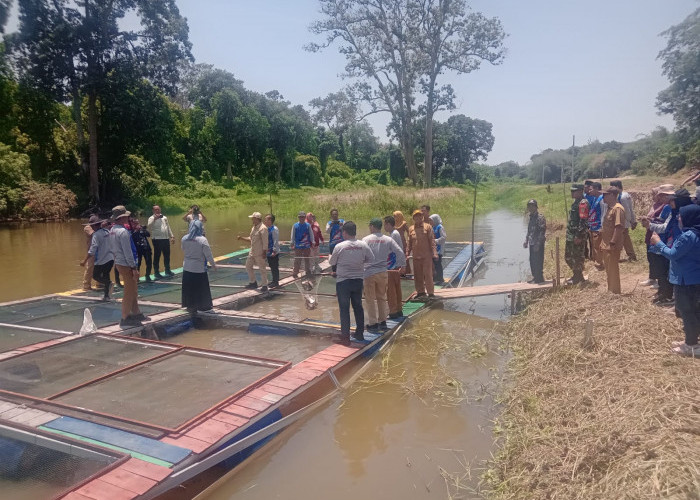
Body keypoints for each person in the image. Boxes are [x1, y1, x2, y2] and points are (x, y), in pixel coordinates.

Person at [649, 204, 700, 356]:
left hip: (685, 280)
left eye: (681, 216)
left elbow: (673, 254)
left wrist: (658, 243)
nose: (678, 217)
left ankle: (691, 345)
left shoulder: (688, 236)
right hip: (694, 278)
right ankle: (692, 340)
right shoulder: (695, 233)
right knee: (694, 311)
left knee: (687, 311)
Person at [329, 221, 375, 345]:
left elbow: (332, 262)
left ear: (345, 232)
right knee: (358, 307)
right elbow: (371, 259)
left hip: (343, 281)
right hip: (358, 281)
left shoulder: (340, 246)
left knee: (344, 309)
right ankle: (359, 334)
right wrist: (360, 264)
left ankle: (345, 337)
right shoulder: (363, 245)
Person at [363, 218, 406, 333]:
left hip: (369, 273)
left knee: (370, 299)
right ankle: (382, 321)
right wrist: (401, 265)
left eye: (369, 226)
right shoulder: (388, 239)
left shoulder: (366, 240)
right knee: (382, 297)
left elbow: (361, 256)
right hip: (383, 272)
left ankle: (373, 324)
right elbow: (400, 252)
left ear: (372, 226)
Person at [110, 206, 146, 328]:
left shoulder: (113, 230)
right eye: (126, 216)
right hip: (126, 264)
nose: (128, 217)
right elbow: (128, 251)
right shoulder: (123, 232)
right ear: (122, 217)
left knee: (133, 288)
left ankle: (136, 312)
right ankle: (125, 317)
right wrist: (133, 267)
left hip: (119, 262)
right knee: (129, 292)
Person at [641, 186, 676, 305]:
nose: (659, 197)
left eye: (662, 195)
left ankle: (666, 295)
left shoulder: (669, 207)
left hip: (666, 242)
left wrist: (650, 225)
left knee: (664, 270)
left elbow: (665, 227)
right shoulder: (668, 207)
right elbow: (661, 221)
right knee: (661, 270)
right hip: (662, 242)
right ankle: (663, 292)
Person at [181, 220, 217, 313]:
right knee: (200, 287)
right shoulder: (202, 239)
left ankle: (190, 305)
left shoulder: (184, 238)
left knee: (189, 287)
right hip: (198, 268)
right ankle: (203, 306)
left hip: (187, 267)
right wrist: (213, 265)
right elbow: (208, 254)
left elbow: (183, 249)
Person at [599, 187, 625, 294]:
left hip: (612, 245)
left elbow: (618, 227)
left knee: (613, 268)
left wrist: (612, 243)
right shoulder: (610, 208)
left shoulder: (617, 209)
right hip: (606, 244)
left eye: (605, 195)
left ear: (612, 195)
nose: (603, 197)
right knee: (609, 268)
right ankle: (611, 290)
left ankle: (615, 292)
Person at [80, 217, 113, 301]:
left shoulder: (97, 234)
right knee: (105, 274)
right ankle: (106, 295)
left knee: (95, 275)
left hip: (101, 258)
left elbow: (93, 249)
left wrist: (84, 260)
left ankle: (107, 284)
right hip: (110, 258)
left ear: (94, 225)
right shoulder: (107, 231)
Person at [407, 209, 438, 299]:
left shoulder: (428, 227)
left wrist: (434, 253)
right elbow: (409, 243)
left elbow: (432, 241)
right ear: (413, 218)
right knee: (417, 276)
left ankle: (431, 293)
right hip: (416, 257)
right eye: (416, 216)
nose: (418, 218)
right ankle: (420, 292)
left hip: (426, 257)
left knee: (428, 275)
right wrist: (407, 254)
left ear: (422, 217)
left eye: (420, 216)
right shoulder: (411, 229)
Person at [564, 184, 590, 285]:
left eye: (574, 191)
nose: (572, 193)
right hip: (571, 234)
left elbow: (583, 221)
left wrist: (578, 236)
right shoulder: (576, 202)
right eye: (571, 191)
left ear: (580, 191)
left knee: (577, 256)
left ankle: (578, 277)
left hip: (577, 235)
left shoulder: (583, 203)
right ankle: (577, 275)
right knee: (568, 257)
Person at [237, 212, 269, 292]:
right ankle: (253, 282)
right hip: (252, 251)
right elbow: (251, 238)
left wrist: (264, 252)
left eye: (253, 218)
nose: (252, 219)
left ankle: (265, 285)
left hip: (260, 252)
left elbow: (265, 242)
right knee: (248, 266)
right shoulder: (253, 227)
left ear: (257, 219)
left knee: (262, 269)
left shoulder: (263, 228)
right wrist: (242, 238)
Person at [640, 187, 663, 287]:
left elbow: (661, 220)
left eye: (653, 194)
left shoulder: (664, 206)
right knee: (651, 257)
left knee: (657, 258)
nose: (652, 197)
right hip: (649, 233)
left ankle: (659, 279)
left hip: (657, 234)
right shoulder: (655, 205)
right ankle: (652, 277)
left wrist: (648, 218)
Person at [384, 215, 405, 319]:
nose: (384, 227)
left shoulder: (393, 235)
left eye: (385, 224)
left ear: (388, 224)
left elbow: (394, 250)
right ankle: (398, 309)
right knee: (396, 288)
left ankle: (393, 311)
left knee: (391, 289)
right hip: (395, 264)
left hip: (392, 265)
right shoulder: (394, 234)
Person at [610, 180, 637, 261]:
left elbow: (627, 211)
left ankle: (627, 255)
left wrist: (630, 221)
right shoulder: (625, 195)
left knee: (621, 239)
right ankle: (631, 255)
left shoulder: (622, 197)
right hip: (624, 221)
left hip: (623, 221)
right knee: (625, 239)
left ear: (617, 187)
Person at [147, 205, 175, 279]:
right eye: (156, 210)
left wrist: (172, 236)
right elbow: (149, 226)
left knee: (167, 255)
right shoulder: (151, 218)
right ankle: (156, 273)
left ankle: (167, 270)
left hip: (165, 239)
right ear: (153, 211)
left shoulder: (164, 217)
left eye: (158, 209)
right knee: (157, 256)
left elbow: (168, 227)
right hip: (157, 239)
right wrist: (155, 219)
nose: (157, 211)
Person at [523, 199, 547, 284]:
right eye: (529, 206)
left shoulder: (540, 217)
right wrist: (526, 240)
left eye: (532, 206)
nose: (530, 207)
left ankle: (539, 278)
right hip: (532, 242)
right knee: (532, 260)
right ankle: (535, 277)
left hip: (538, 243)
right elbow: (529, 230)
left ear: (536, 207)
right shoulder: (531, 217)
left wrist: (538, 244)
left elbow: (542, 231)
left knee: (538, 260)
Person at [587, 182, 605, 270]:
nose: (589, 191)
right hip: (593, 226)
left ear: (597, 188)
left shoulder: (602, 200)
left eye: (591, 189)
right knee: (595, 246)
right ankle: (597, 262)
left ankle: (600, 264)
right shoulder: (595, 198)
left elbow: (604, 214)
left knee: (598, 246)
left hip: (599, 226)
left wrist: (602, 227)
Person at [130, 217, 153, 283]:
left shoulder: (142, 229)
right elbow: (131, 238)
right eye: (135, 223)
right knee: (138, 264)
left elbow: (148, 235)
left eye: (138, 223)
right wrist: (136, 231)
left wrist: (143, 229)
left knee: (149, 263)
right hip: (137, 250)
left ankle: (147, 275)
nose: (137, 224)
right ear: (132, 224)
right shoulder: (131, 231)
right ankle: (137, 278)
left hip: (146, 248)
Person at [81, 215, 101, 290]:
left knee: (99, 266)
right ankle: (86, 285)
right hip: (91, 250)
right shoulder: (87, 228)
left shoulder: (99, 227)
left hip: (99, 250)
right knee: (89, 267)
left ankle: (99, 283)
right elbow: (94, 234)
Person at [291, 211, 312, 278]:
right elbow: (292, 235)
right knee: (297, 259)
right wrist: (292, 243)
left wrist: (313, 241)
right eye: (300, 217)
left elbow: (311, 234)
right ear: (298, 217)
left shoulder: (308, 225)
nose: (301, 218)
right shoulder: (295, 225)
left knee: (307, 259)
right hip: (298, 245)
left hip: (306, 245)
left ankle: (308, 271)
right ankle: (295, 272)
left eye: (303, 217)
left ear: (305, 217)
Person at [429, 214, 446, 285]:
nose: (430, 222)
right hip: (434, 249)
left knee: (438, 264)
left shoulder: (440, 227)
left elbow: (443, 238)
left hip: (439, 249)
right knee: (434, 264)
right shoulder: (432, 227)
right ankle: (435, 278)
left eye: (431, 221)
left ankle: (440, 279)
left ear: (435, 220)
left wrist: (435, 241)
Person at [392, 211, 411, 275]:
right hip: (395, 240)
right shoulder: (393, 224)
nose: (394, 218)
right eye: (394, 216)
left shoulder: (404, 223)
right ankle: (397, 271)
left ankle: (406, 272)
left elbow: (409, 232)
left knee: (404, 256)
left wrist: (408, 239)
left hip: (402, 241)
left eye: (395, 216)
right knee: (396, 255)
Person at [264, 214, 280, 288]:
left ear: (270, 220)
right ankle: (273, 281)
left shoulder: (274, 229)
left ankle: (276, 281)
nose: (265, 221)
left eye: (266, 219)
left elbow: (275, 240)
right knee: (271, 266)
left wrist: (274, 250)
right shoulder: (267, 228)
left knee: (274, 266)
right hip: (268, 251)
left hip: (273, 251)